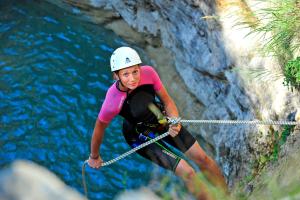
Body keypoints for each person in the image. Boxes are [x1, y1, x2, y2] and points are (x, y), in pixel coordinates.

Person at [88, 46, 227, 199]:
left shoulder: (148, 73)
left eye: (135, 71)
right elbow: (99, 128)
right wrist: (94, 156)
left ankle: (228, 195)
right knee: (187, 172)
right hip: (140, 136)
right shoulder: (113, 99)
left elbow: (167, 101)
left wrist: (174, 120)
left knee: (203, 159)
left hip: (161, 119)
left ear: (140, 68)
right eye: (125, 74)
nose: (132, 78)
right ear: (116, 76)